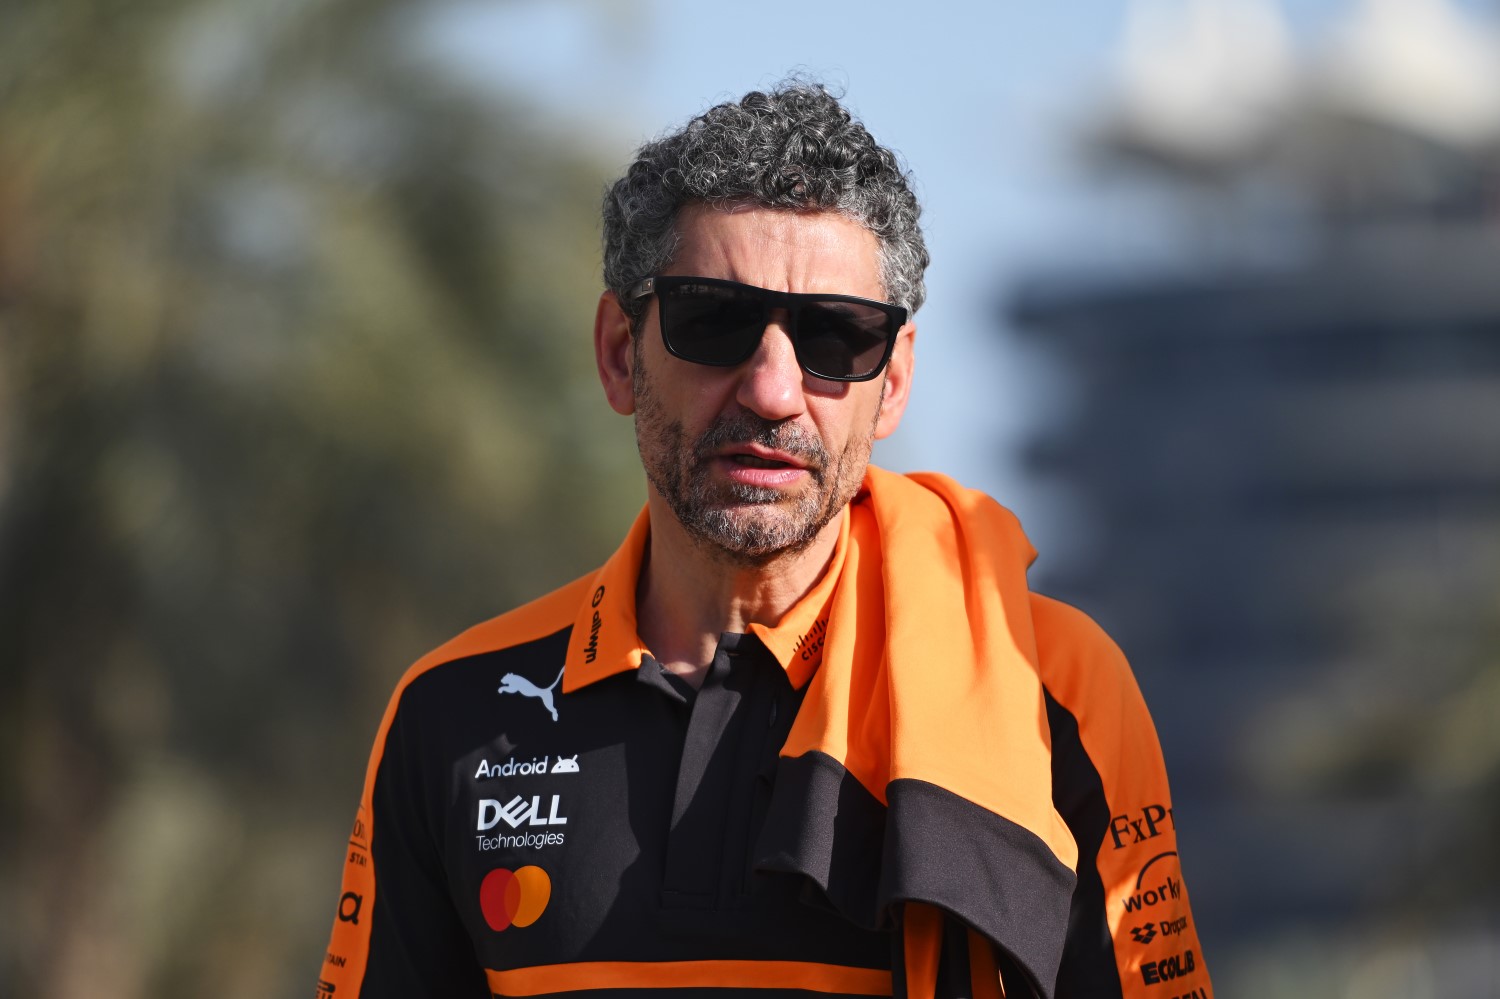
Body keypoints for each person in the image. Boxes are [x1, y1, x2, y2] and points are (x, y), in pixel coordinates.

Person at [318, 81, 1212, 999]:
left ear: (893, 384)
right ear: (622, 354)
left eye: (836, 336)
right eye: (716, 320)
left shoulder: (1053, 690)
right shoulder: (451, 713)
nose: (774, 390)